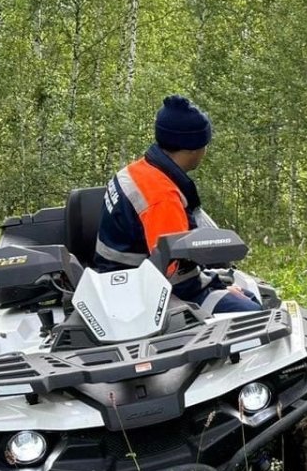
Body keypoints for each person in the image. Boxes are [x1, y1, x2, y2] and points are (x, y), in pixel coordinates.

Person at [93, 95, 263, 314]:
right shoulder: (162, 197)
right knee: (253, 312)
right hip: (136, 291)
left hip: (118, 275)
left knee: (244, 293)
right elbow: (177, 276)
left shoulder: (139, 170)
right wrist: (220, 283)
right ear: (193, 148)